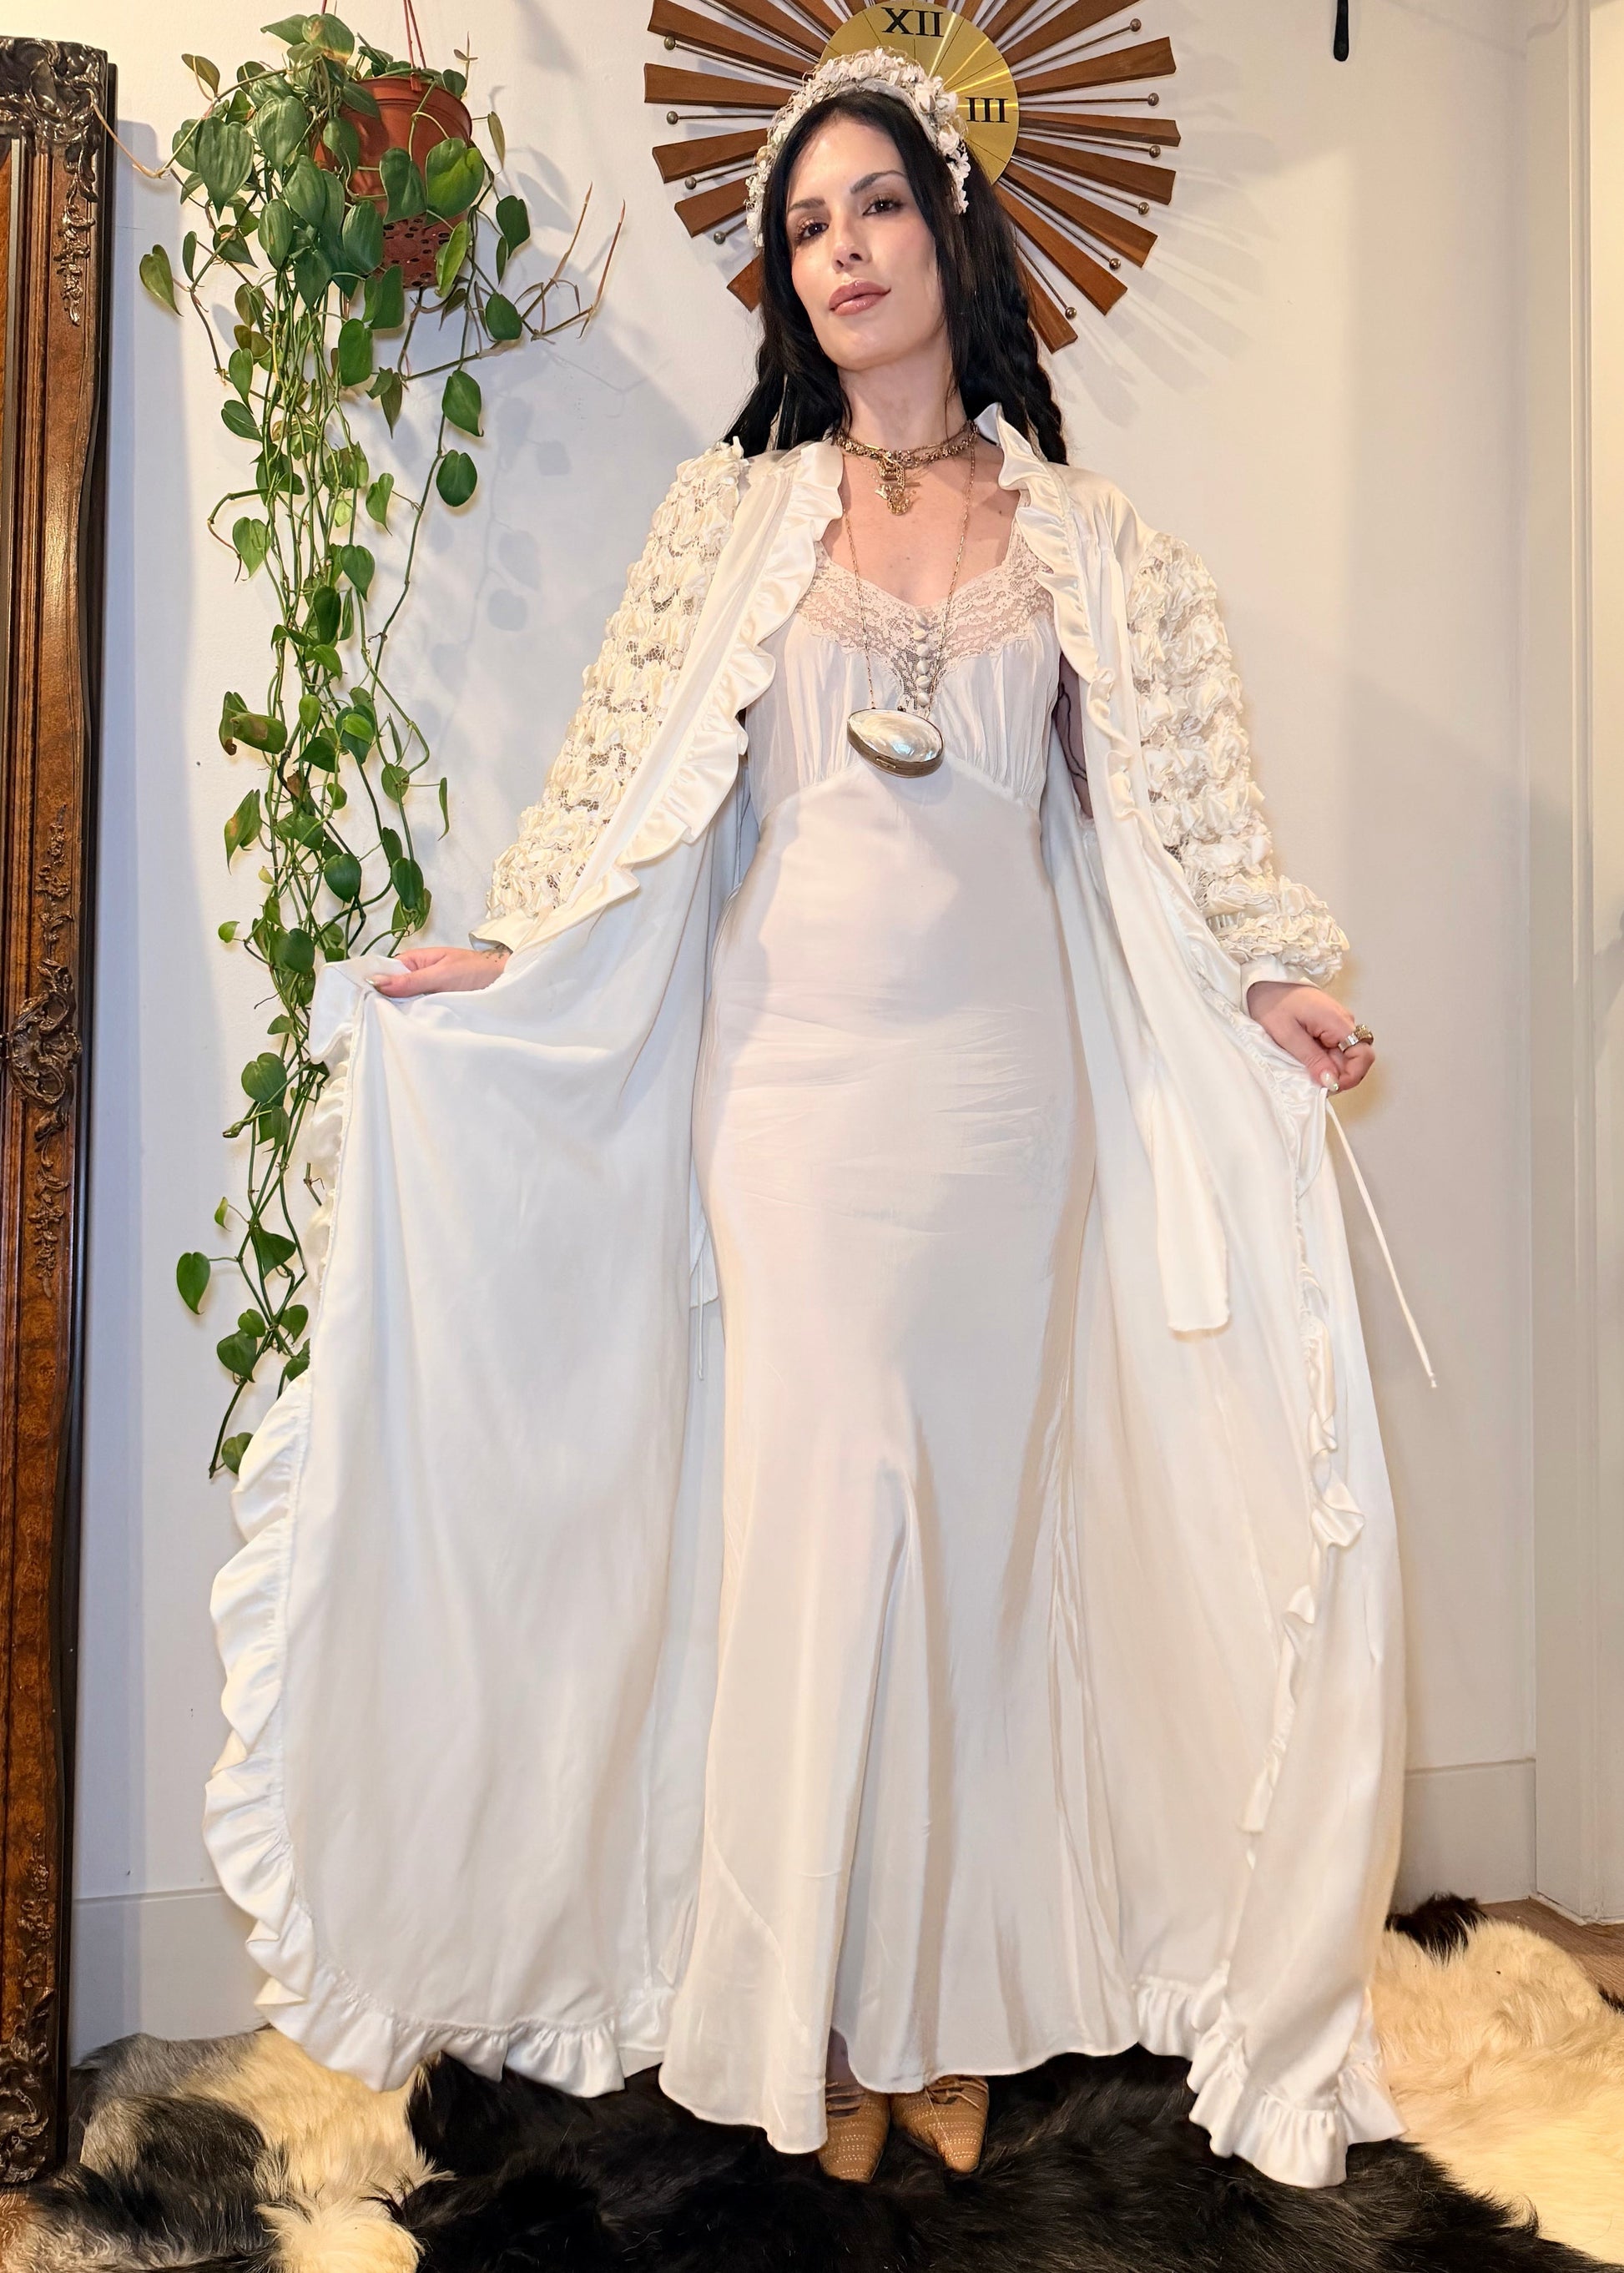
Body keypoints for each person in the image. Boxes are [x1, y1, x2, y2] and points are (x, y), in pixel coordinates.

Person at [203, 49, 1424, 2197]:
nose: (840, 251)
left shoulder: (1097, 547)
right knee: (812, 1537)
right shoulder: (729, 527)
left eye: (871, 209)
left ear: (948, 236)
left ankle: (929, 2019)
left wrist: (1270, 971)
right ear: (784, 282)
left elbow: (1178, 823)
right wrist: (510, 955)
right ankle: (804, 2019)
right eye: (803, 227)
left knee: (956, 1559)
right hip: (788, 1107)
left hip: (1000, 1123)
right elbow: (623, 806)